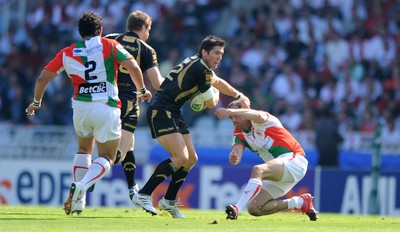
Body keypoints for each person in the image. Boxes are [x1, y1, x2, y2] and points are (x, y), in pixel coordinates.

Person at [25, 11, 152, 215]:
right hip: (106, 106)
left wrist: (36, 102)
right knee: (108, 157)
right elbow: (133, 66)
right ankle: (82, 185)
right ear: (100, 30)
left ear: (80, 32)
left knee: (84, 150)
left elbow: (42, 78)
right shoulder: (109, 46)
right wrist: (142, 90)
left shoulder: (68, 52)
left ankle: (78, 202)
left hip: (81, 108)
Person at [131, 35, 249, 218]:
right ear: (204, 52)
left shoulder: (200, 64)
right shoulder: (201, 69)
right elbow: (210, 103)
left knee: (191, 158)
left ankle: (168, 201)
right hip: (161, 110)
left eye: (222, 54)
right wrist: (216, 97)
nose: (219, 57)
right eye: (216, 53)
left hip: (173, 111)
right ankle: (144, 193)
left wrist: (238, 95)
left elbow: (216, 82)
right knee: (180, 157)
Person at [214, 100, 318, 221]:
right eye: (231, 118)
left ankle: (237, 207)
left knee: (258, 170)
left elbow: (257, 115)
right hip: (277, 169)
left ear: (245, 112)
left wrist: (228, 111)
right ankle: (299, 202)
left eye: (237, 115)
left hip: (294, 161)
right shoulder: (239, 133)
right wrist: (234, 157)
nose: (234, 120)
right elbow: (236, 153)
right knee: (255, 208)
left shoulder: (261, 119)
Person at [105, 10, 164, 204]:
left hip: (105, 97)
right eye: (149, 30)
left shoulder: (109, 39)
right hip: (129, 100)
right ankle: (89, 178)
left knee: (129, 146)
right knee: (119, 153)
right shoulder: (146, 49)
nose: (149, 34)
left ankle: (132, 188)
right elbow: (157, 83)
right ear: (143, 28)